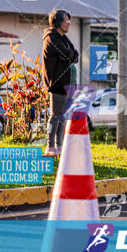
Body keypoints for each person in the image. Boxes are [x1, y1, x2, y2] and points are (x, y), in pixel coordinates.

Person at [42, 9, 79, 157]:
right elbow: (66, 53)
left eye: (69, 20)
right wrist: (70, 55)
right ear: (57, 22)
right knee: (55, 115)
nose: (68, 23)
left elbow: (74, 55)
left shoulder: (63, 38)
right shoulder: (51, 37)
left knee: (63, 116)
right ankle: (50, 146)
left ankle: (60, 146)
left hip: (69, 83)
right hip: (58, 83)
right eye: (66, 20)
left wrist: (70, 55)